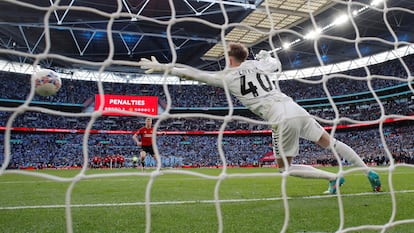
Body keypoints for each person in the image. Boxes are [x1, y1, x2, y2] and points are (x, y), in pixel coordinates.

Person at [138, 42, 382, 194]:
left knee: (284, 170)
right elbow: (273, 62)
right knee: (332, 143)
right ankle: (367, 172)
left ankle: (334, 178)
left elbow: (193, 74)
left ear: (229, 58)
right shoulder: (259, 65)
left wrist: (163, 68)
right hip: (295, 107)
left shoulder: (228, 75)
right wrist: (266, 55)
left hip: (280, 118)